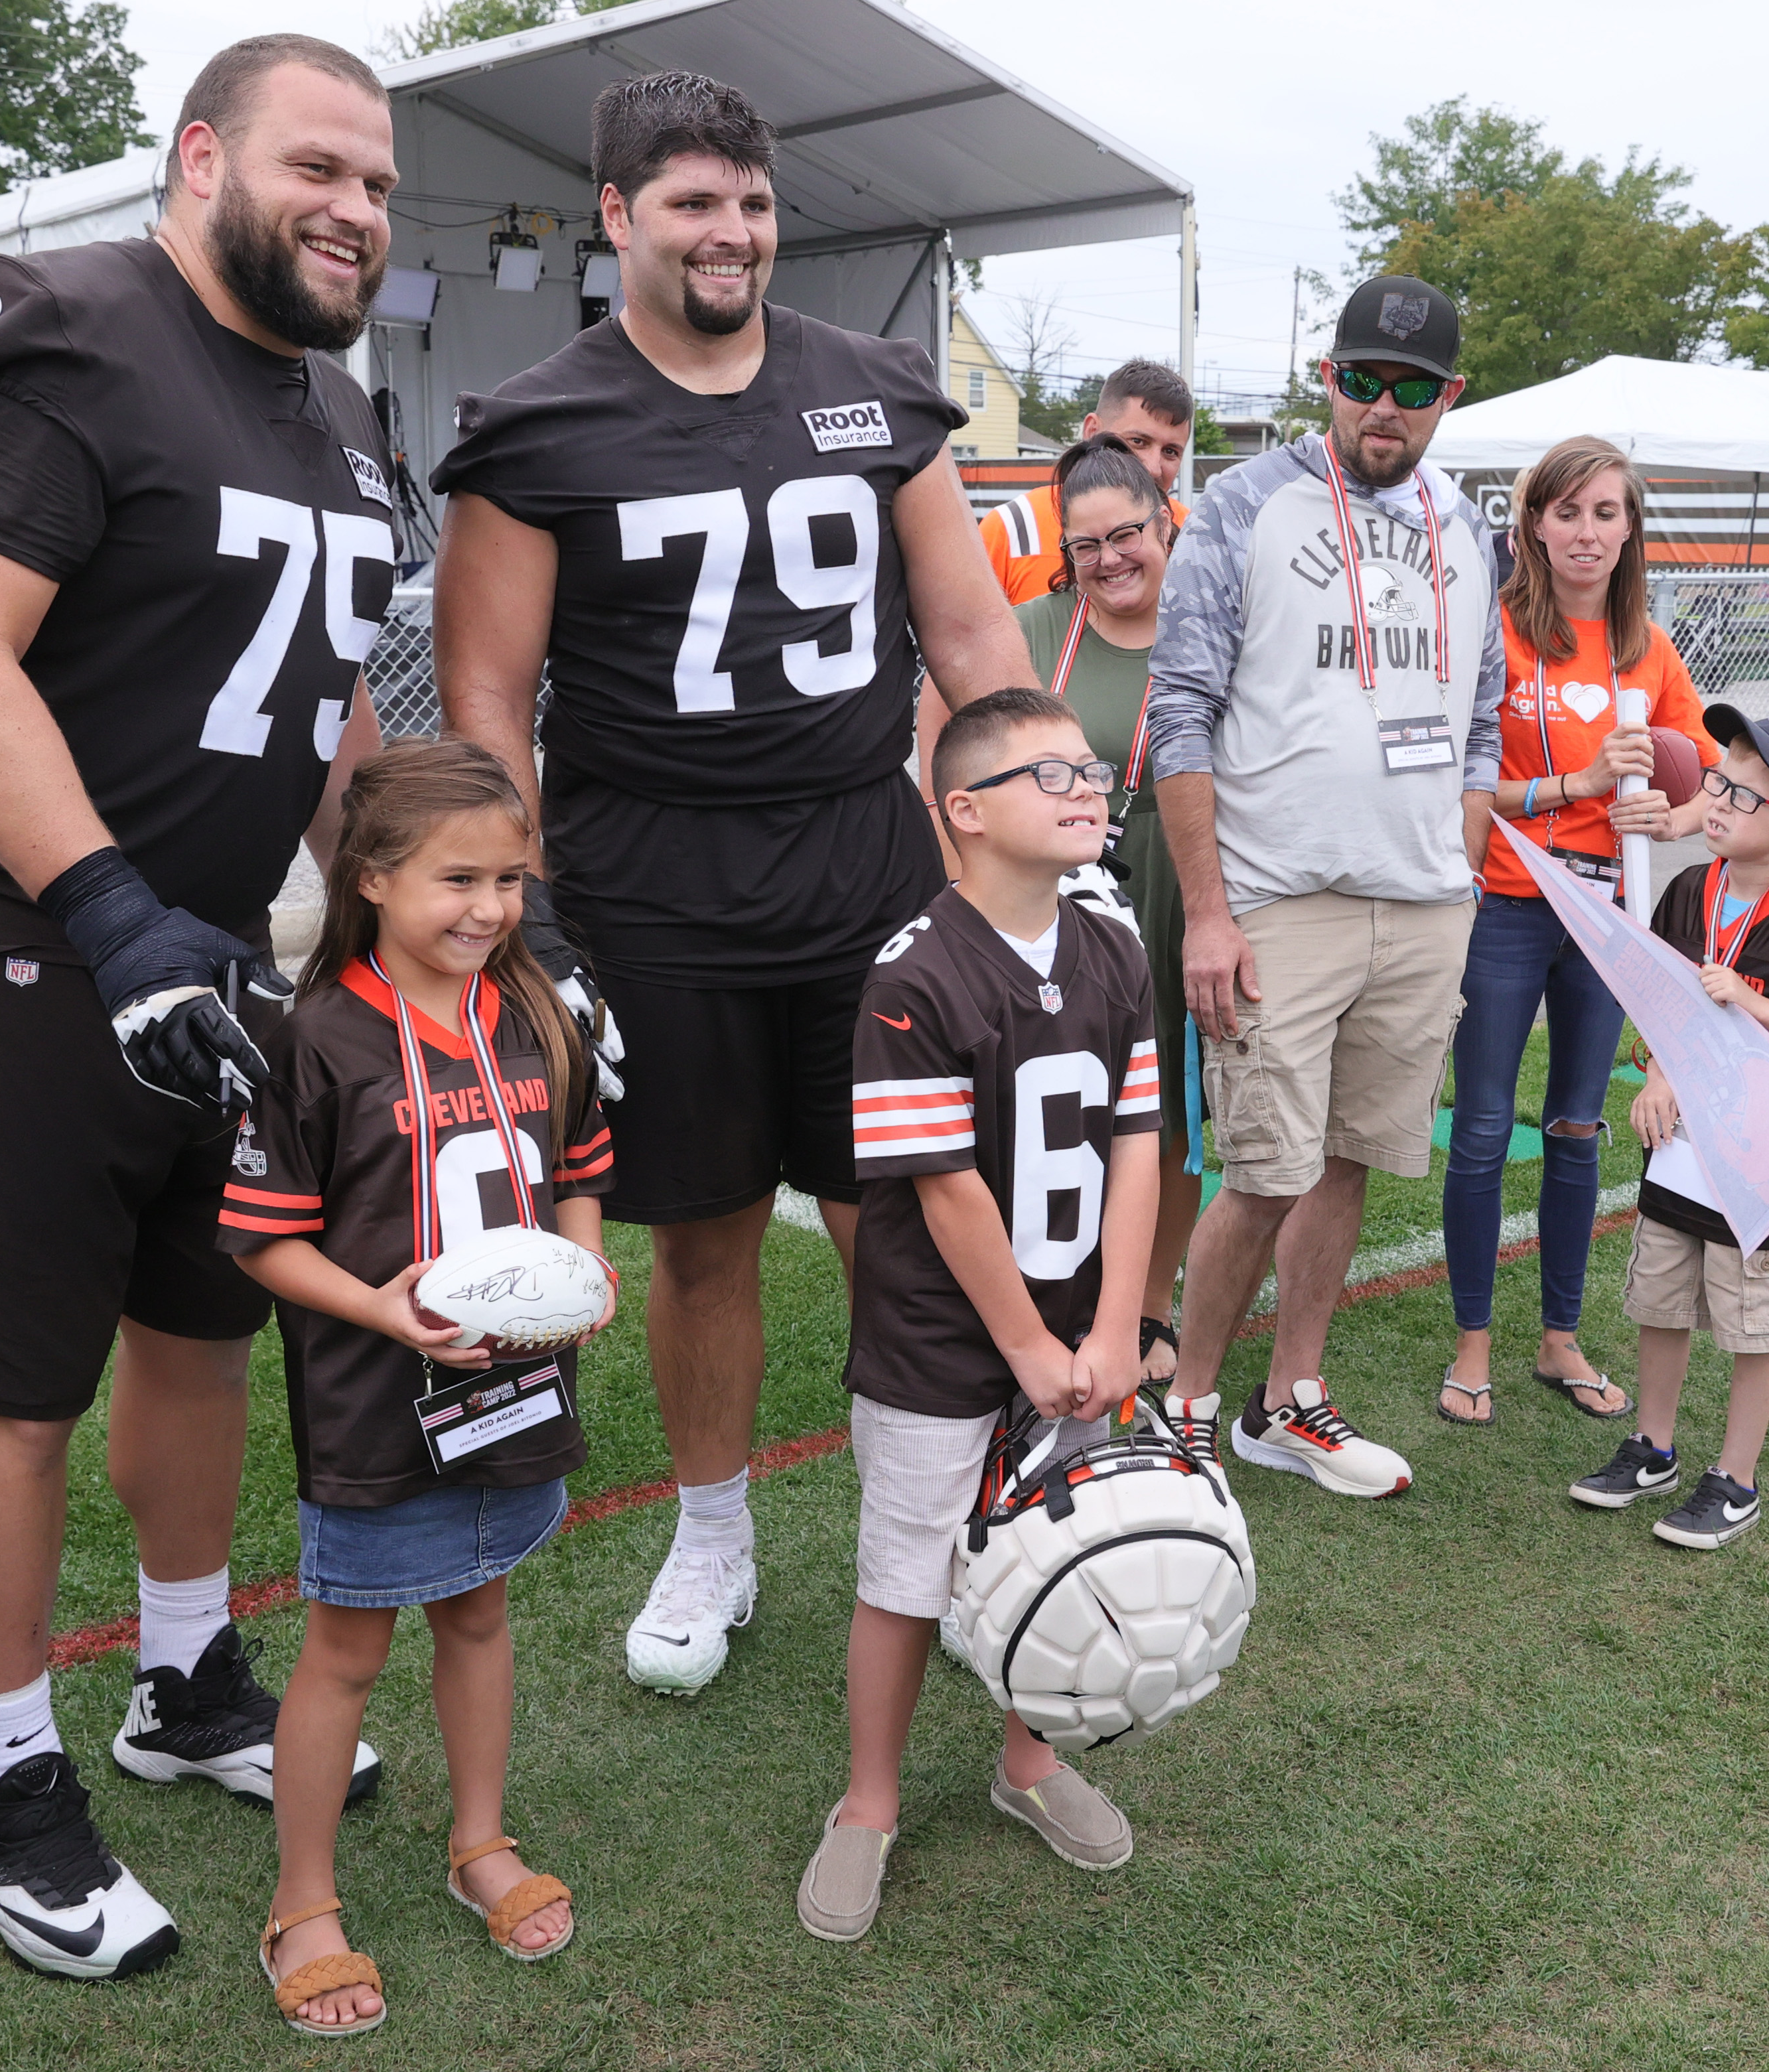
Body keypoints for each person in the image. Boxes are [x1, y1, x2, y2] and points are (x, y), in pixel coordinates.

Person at [0, 35, 401, 1980]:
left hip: (210, 958)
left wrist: (432, 918)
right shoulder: (54, 328)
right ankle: (5, 1793)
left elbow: (328, 705)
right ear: (202, 153)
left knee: (200, 1325)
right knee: (10, 1381)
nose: (357, 209)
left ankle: (177, 1681)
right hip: (6, 944)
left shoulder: (324, 416)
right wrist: (115, 919)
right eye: (322, 165)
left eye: (383, 186)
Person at [431, 71, 1035, 1697]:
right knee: (696, 1238)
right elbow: (486, 695)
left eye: (751, 203)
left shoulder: (875, 388)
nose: (731, 234)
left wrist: (1033, 813)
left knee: (898, 1219)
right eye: (692, 203)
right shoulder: (539, 423)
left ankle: (950, 1519)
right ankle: (713, 1532)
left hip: (861, 867)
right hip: (650, 887)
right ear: (615, 216)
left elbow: (970, 633)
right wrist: (524, 901)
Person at [220, 740, 612, 2033]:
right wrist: (383, 1306)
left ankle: (480, 1840)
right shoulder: (316, 1034)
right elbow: (266, 1234)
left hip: (514, 1395)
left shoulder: (537, 1007)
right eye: (458, 878)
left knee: (482, 1614)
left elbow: (582, 1161)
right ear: (372, 876)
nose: (490, 907)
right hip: (376, 1401)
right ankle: (304, 1897)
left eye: (509, 878)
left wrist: (588, 1268)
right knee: (342, 1650)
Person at [798, 688, 1159, 1942]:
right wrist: (1028, 1345)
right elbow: (946, 1190)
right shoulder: (914, 974)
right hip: (943, 1335)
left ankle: (1025, 1759)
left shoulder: (1112, 945)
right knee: (906, 1573)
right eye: (1045, 772)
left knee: (1056, 1549)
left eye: (1087, 764)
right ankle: (868, 1797)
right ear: (961, 811)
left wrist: (1115, 1326)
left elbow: (1136, 1147)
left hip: (1076, 1319)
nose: (1083, 785)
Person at [1147, 271, 1498, 1500]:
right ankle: (1185, 1402)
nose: (1382, 409)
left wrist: (1449, 850)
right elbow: (1177, 712)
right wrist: (1205, 909)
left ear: (1447, 396)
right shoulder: (1241, 505)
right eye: (1361, 381)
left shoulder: (1467, 529)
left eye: (1410, 388)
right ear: (1326, 380)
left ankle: (1287, 1398)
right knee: (1259, 1169)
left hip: (1419, 904)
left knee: (1346, 1156)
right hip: (1274, 898)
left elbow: (1483, 717)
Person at [1442, 435, 1716, 1428]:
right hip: (1508, 905)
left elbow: (1711, 781)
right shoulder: (1494, 634)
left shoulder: (1649, 645)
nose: (1587, 532)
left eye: (1606, 512)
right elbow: (1461, 786)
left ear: (1631, 524)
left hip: (1607, 918)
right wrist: (1581, 785)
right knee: (1480, 1128)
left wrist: (1672, 816)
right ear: (1533, 524)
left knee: (1576, 1127)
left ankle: (1559, 1338)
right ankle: (1472, 1342)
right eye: (1567, 512)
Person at [1573, 709, 1769, 1549]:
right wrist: (1657, 1076)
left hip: (1765, 1162)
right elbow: (1665, 1003)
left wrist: (1752, 1001)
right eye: (1716, 780)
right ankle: (1653, 1446)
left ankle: (1734, 1478)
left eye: (1743, 796)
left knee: (1756, 1325)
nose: (1715, 802)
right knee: (1660, 1302)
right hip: (1681, 1155)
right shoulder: (1686, 890)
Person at [945, 431, 1200, 1415]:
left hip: (1179, 895)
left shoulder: (1211, 626)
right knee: (1054, 1099)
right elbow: (949, 746)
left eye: (1125, 533)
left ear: (1163, 520)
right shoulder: (1033, 628)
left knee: (1169, 1109)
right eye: (1085, 544)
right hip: (1056, 907)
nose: (1108, 559)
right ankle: (1048, 1289)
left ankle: (1145, 1300)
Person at [977, 358, 1193, 604]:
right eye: (1138, 442)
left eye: (1171, 452)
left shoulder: (1193, 533)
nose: (1154, 468)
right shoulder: (1013, 527)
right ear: (1092, 432)